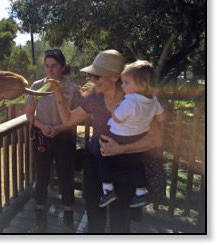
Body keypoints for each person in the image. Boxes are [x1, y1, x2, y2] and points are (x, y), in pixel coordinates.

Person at [48, 50, 165, 233]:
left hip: (125, 169)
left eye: (96, 76)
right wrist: (58, 96)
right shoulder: (95, 98)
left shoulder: (134, 100)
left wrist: (121, 148)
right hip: (96, 167)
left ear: (114, 77)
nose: (92, 80)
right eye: (91, 75)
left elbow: (156, 139)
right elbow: (69, 120)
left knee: (121, 221)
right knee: (94, 217)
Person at [25, 48, 83, 233]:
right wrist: (42, 127)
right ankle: (39, 219)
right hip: (42, 137)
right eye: (46, 66)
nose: (49, 70)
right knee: (42, 177)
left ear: (62, 67)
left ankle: (68, 220)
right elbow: (29, 114)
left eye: (54, 66)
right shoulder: (37, 86)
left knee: (66, 177)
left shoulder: (72, 88)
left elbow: (77, 117)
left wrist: (59, 128)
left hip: (64, 137)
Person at [98, 60, 166, 209]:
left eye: (126, 83)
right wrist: (146, 117)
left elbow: (117, 118)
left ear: (142, 84)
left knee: (103, 154)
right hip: (137, 136)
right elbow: (162, 118)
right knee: (134, 165)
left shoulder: (130, 101)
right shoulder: (153, 100)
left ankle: (107, 189)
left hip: (119, 136)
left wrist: (113, 108)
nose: (122, 86)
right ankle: (141, 192)